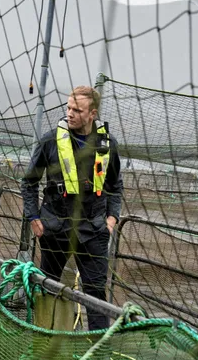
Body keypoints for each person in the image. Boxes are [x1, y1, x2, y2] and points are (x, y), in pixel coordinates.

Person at [21, 85, 123, 331]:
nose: (70, 113)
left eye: (77, 110)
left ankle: (99, 356)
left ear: (92, 114)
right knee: (49, 288)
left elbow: (115, 185)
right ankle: (44, 340)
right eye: (68, 108)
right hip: (55, 227)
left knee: (97, 296)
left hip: (93, 230)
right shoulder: (50, 140)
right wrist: (34, 218)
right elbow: (29, 182)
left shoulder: (107, 144)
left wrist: (112, 218)